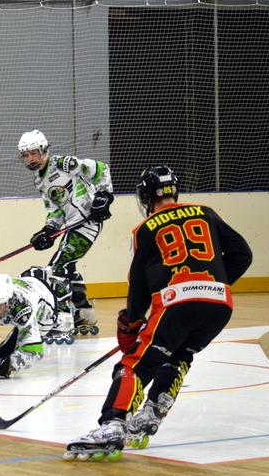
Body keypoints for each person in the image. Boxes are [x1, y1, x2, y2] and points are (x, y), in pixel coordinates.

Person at [65, 165, 252, 460]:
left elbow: (139, 283)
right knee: (179, 355)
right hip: (219, 305)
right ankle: (152, 412)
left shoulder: (145, 228)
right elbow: (243, 254)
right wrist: (215, 283)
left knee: (133, 365)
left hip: (177, 304)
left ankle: (113, 424)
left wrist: (132, 321)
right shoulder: (206, 213)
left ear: (145, 196)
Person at [17, 129, 114, 341]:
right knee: (67, 267)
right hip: (73, 225)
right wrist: (48, 231)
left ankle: (62, 321)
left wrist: (105, 195)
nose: (30, 158)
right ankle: (84, 313)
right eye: (26, 155)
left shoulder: (64, 164)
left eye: (33, 153)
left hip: (87, 222)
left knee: (56, 269)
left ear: (44, 150)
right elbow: (55, 210)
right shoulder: (39, 180)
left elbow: (101, 169)